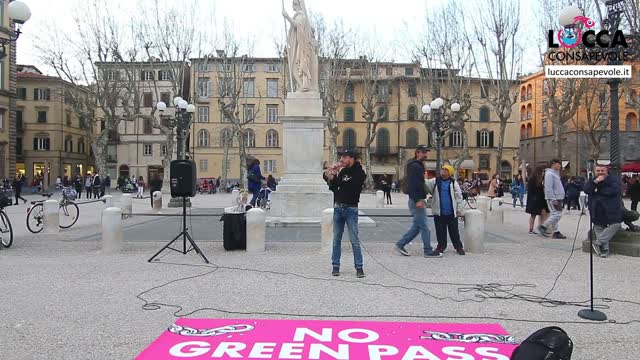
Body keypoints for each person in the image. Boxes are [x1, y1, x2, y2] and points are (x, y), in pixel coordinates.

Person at [323, 149, 366, 277]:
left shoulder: (359, 172)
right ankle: (335, 265)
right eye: (341, 157)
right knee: (336, 239)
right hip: (338, 207)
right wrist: (331, 176)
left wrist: (338, 178)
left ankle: (359, 267)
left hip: (351, 208)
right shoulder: (343, 171)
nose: (341, 160)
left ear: (351, 158)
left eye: (345, 157)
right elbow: (335, 188)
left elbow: (352, 186)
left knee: (354, 240)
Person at [395, 145, 441, 258]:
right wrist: (417, 200)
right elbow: (413, 185)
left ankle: (400, 244)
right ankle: (427, 251)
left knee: (417, 227)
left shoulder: (416, 165)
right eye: (424, 152)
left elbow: (417, 184)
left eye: (426, 152)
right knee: (425, 227)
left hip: (418, 199)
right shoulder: (415, 166)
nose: (426, 155)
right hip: (417, 200)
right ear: (417, 153)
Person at [584, 165, 622, 258]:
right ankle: (604, 250)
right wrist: (595, 182)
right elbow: (587, 190)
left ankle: (599, 242)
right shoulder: (592, 180)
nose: (600, 172)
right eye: (598, 171)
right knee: (599, 227)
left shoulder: (613, 180)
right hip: (596, 208)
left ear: (607, 171)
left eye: (602, 170)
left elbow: (614, 190)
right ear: (594, 172)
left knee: (616, 224)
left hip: (611, 208)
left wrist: (598, 190)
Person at [426, 165, 465, 255]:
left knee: (454, 231)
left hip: (451, 212)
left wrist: (459, 209)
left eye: (445, 170)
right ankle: (441, 246)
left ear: (449, 172)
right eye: (442, 169)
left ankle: (458, 247)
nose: (442, 171)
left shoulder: (453, 182)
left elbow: (459, 197)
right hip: (439, 212)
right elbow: (426, 184)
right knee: (440, 232)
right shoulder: (435, 181)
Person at [538, 159, 567, 239]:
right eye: (559, 164)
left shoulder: (554, 174)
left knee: (555, 214)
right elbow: (548, 187)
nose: (560, 166)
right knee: (557, 214)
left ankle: (556, 232)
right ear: (554, 164)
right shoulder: (550, 174)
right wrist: (552, 198)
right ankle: (544, 226)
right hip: (555, 198)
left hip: (558, 197)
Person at [525, 167, 549, 235]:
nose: (543, 174)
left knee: (542, 214)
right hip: (535, 200)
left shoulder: (538, 180)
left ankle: (542, 228)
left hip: (539, 200)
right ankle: (531, 229)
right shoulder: (533, 180)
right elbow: (531, 191)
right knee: (533, 215)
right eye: (542, 172)